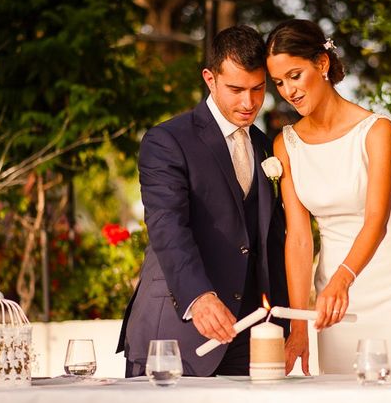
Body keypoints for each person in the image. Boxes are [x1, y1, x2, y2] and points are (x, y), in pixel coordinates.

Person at [117, 25, 289, 377]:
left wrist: (284, 323)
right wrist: (199, 297)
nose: (248, 102)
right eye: (236, 89)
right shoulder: (167, 140)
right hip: (175, 332)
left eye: (258, 89)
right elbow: (167, 227)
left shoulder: (266, 145)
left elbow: (271, 239)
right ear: (209, 79)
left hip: (249, 335)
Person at [265, 19, 391, 375]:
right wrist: (299, 325)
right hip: (332, 300)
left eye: (295, 75)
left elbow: (377, 219)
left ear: (322, 64)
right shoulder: (286, 144)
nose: (288, 91)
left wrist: (343, 280)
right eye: (279, 83)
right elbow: (297, 238)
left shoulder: (376, 130)